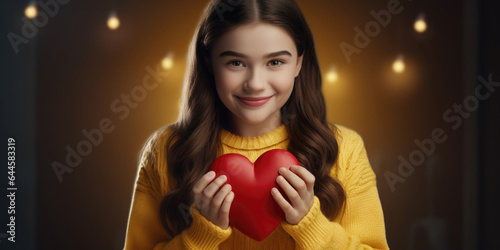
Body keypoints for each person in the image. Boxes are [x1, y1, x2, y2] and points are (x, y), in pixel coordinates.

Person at [124, 0, 389, 249]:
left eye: (275, 62)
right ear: (209, 63)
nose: (256, 84)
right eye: (235, 62)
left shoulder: (345, 149)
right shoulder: (165, 149)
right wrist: (200, 234)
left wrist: (311, 224)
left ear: (298, 63)